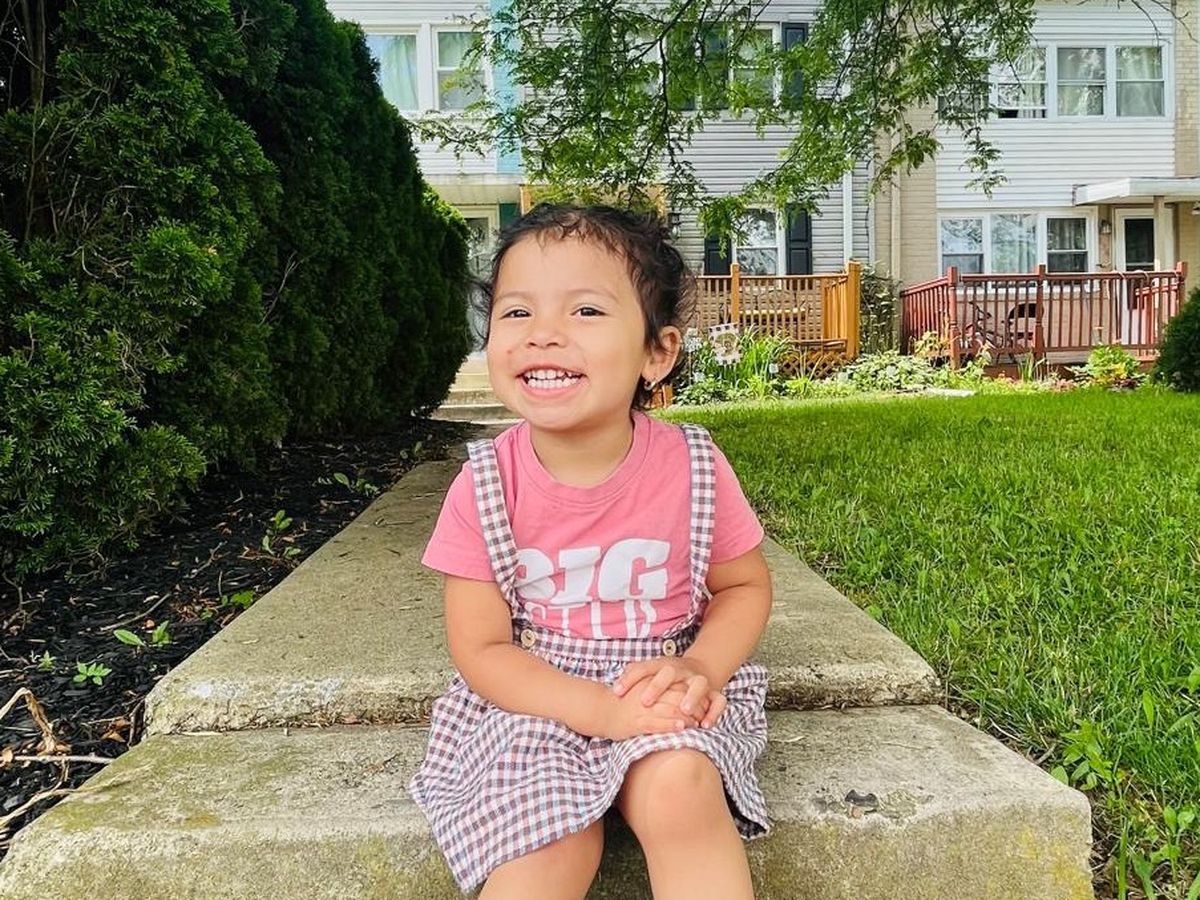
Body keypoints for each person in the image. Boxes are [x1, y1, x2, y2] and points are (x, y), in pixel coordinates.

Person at [408, 204, 772, 899]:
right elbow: (481, 649)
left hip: (658, 683)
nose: (543, 333)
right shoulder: (485, 485)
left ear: (656, 353)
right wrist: (596, 710)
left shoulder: (693, 466)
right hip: (534, 697)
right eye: (517, 313)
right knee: (544, 842)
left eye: (585, 311)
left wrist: (700, 666)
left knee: (681, 785)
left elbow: (744, 586)